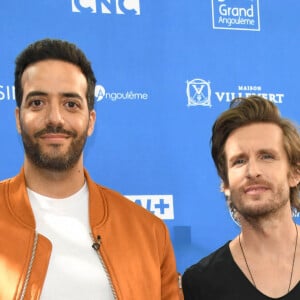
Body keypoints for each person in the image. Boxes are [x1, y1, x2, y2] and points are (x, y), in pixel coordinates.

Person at [0, 38, 181, 299]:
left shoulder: (149, 232)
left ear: (91, 121)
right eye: (37, 102)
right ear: (18, 119)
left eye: (71, 104)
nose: (55, 118)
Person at [182, 95, 300, 299]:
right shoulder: (201, 281)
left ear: (295, 174)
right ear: (225, 183)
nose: (253, 171)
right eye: (239, 161)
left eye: (266, 156)